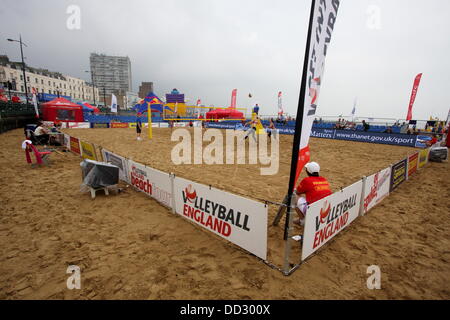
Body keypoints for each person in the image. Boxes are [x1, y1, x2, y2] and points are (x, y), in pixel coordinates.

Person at [293, 162, 332, 226]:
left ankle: (303, 220)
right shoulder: (323, 179)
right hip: (325, 211)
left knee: (293, 196)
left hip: (313, 212)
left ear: (307, 171)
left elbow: (297, 192)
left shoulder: (307, 180)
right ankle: (304, 219)